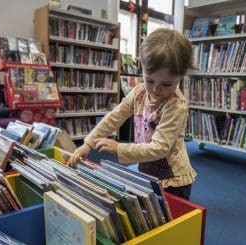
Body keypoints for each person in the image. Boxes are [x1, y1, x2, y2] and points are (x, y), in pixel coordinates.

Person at [70, 28, 197, 200]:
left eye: (166, 84)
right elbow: (115, 117)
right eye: (150, 80)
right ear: (141, 67)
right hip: (146, 169)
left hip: (173, 180)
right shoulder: (139, 92)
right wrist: (88, 143)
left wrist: (118, 148)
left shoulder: (175, 105)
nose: (156, 89)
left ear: (181, 76)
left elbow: (159, 148)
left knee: (170, 222)